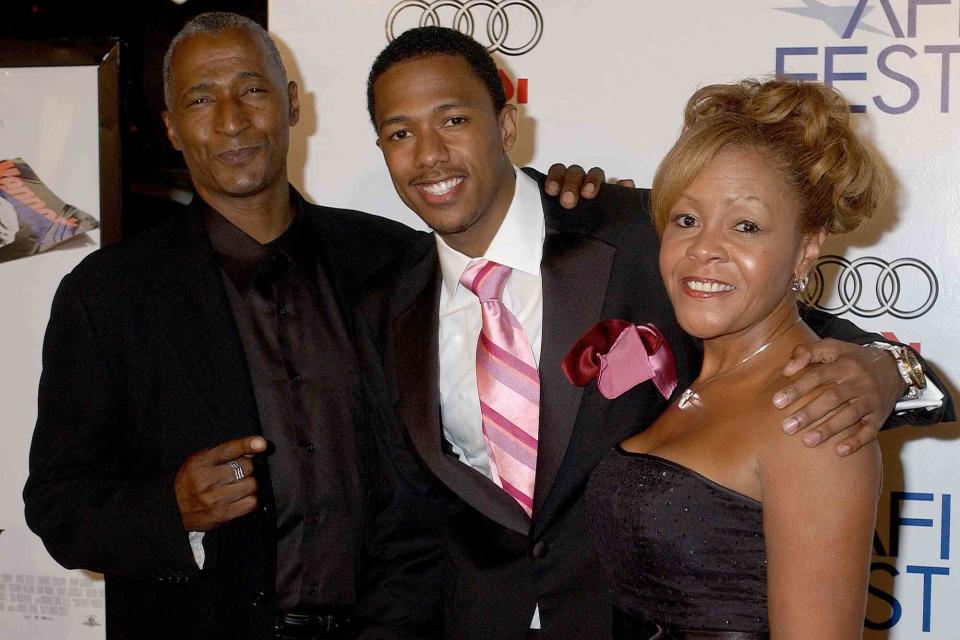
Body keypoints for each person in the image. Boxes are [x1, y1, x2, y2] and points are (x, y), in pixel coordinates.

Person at [21, 12, 602, 640]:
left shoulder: (393, 257)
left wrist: (566, 203)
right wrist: (172, 510)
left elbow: (494, 226)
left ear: (292, 103)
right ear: (170, 127)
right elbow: (59, 503)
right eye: (199, 99)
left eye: (252, 89)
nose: (231, 120)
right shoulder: (109, 294)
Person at [355, 26, 950, 640]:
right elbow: (406, 522)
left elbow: (807, 338)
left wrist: (890, 370)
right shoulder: (387, 307)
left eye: (452, 120)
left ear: (506, 126)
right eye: (401, 133)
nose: (429, 153)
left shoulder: (641, 236)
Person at [586, 79, 954, 639]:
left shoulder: (816, 410)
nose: (703, 248)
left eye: (746, 226)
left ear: (807, 248)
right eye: (686, 220)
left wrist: (892, 368)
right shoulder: (688, 373)